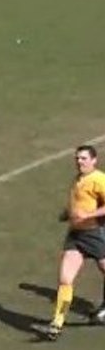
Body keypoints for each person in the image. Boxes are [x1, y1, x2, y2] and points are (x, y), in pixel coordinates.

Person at [35, 145, 105, 339]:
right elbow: (77, 203)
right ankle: (57, 323)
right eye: (77, 158)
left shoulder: (99, 179)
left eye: (83, 158)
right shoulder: (77, 179)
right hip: (76, 236)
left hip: (96, 234)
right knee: (65, 279)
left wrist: (88, 214)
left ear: (94, 160)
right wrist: (67, 214)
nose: (79, 162)